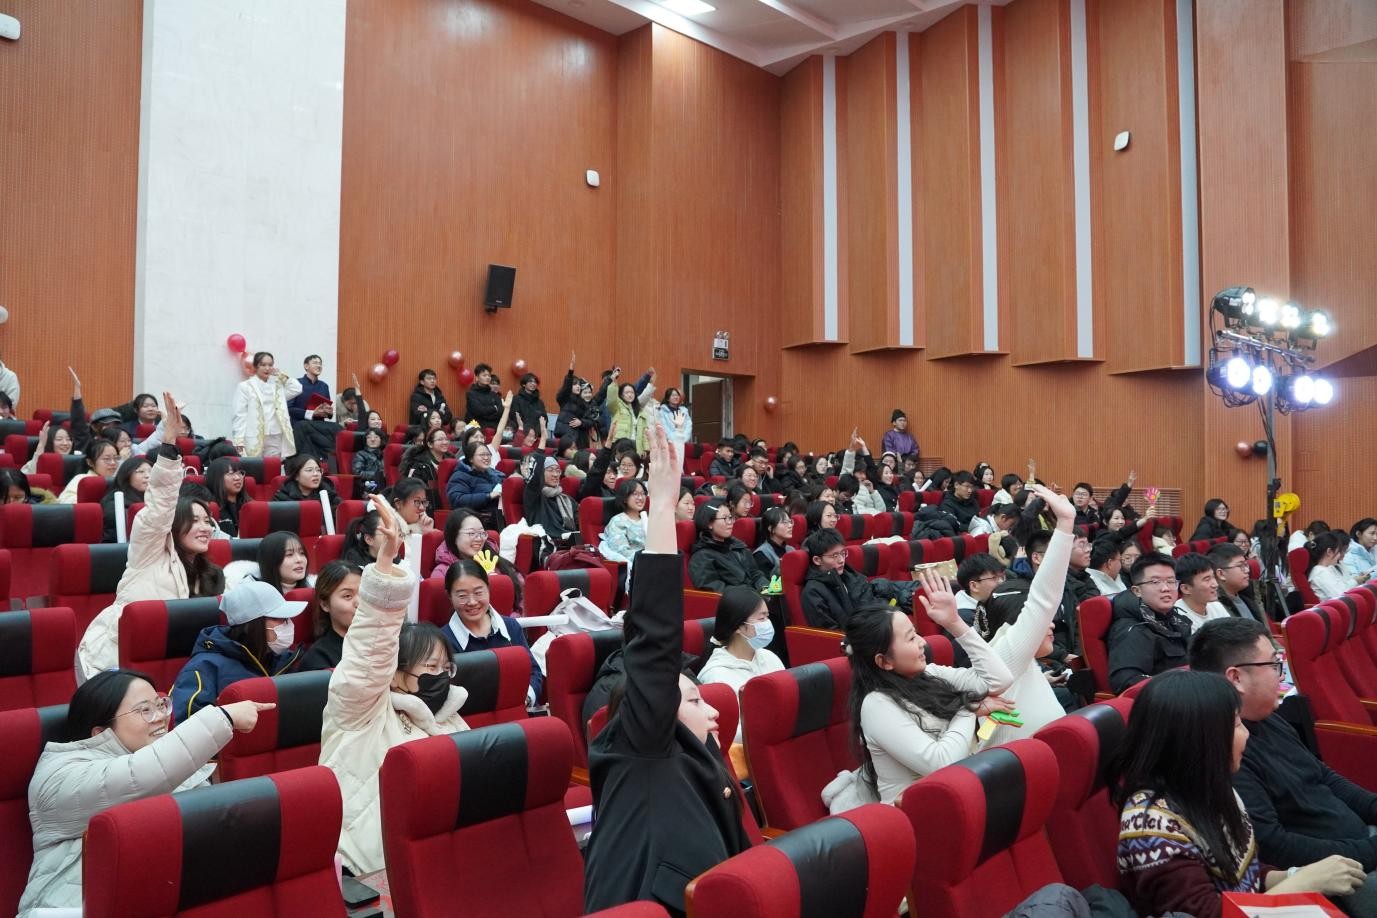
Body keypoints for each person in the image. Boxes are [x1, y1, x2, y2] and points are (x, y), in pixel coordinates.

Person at [583, 420, 752, 914]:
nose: (713, 711)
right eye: (694, 700)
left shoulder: (699, 756)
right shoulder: (643, 745)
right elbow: (655, 643)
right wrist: (660, 508)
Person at [16, 670, 273, 915]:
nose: (161, 717)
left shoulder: (174, 767)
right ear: (101, 732)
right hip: (69, 909)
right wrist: (223, 717)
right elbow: (138, 776)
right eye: (145, 710)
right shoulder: (59, 775)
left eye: (160, 705)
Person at [1114, 669, 1365, 918]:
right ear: (1200, 740)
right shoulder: (1150, 827)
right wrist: (1304, 882)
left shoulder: (1207, 787)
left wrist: (1294, 875)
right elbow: (1206, 914)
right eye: (1236, 724)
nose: (1246, 734)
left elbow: (1245, 875)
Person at [320, 494, 469, 876]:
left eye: (445, 668)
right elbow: (369, 655)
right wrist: (384, 566)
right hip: (370, 870)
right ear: (396, 672)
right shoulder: (361, 710)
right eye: (429, 667)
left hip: (442, 861)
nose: (439, 676)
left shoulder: (451, 717)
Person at [1191, 617, 1377, 914]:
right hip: (1339, 873)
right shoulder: (1228, 754)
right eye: (1274, 665)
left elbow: (1323, 776)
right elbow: (1274, 846)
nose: (1282, 675)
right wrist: (1369, 851)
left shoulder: (1268, 718)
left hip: (1360, 842)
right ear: (1236, 677)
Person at [835, 568, 1014, 808]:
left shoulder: (929, 673)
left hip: (956, 795)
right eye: (911, 638)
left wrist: (954, 623)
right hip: (915, 814)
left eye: (916, 633)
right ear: (884, 661)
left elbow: (999, 680)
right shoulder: (876, 704)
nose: (922, 643)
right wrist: (968, 708)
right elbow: (941, 762)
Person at [78, 401, 224, 680]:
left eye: (207, 521)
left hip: (171, 667)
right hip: (114, 663)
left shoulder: (212, 574)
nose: (205, 527)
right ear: (175, 525)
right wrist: (168, 445)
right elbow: (160, 508)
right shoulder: (149, 552)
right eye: (195, 520)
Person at [170, 580, 304, 718]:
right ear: (253, 624)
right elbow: (185, 724)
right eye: (278, 618)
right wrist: (229, 717)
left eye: (287, 618)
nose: (288, 624)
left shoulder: (285, 659)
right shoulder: (203, 668)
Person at [441, 559, 542, 702]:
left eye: (478, 592)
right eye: (462, 596)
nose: (472, 602)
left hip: (517, 706)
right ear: (449, 596)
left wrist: (525, 698)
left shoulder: (511, 627)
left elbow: (533, 672)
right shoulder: (442, 641)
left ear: (488, 589)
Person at [694, 586, 785, 741]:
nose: (768, 624)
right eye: (761, 619)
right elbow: (730, 732)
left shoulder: (770, 658)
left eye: (767, 617)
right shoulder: (716, 676)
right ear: (739, 627)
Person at [1106, 552, 1194, 694]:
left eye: (1171, 581)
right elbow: (1127, 682)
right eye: (1155, 582)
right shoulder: (1132, 630)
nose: (1166, 588)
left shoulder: (1174, 619)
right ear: (1137, 591)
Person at [799, 528, 913, 630]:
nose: (841, 560)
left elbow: (869, 603)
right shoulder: (813, 592)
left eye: (843, 553)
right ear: (817, 560)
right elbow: (831, 634)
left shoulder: (849, 575)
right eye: (834, 556)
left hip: (876, 628)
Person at [231, 351, 302, 457]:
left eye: (270, 365)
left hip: (275, 434)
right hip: (253, 436)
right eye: (263, 365)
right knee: (253, 465)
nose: (267, 368)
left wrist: (281, 375)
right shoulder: (245, 387)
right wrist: (238, 441)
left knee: (274, 465)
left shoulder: (277, 386)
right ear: (256, 366)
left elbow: (297, 389)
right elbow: (239, 415)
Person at [688, 501, 769, 593]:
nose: (730, 522)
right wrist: (753, 596)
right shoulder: (702, 556)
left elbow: (755, 574)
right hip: (741, 599)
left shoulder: (738, 545)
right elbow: (715, 590)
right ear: (709, 523)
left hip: (757, 595)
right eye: (725, 518)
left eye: (730, 517)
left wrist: (768, 591)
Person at [300, 560, 363, 671]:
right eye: (347, 596)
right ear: (325, 605)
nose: (359, 603)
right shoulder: (318, 658)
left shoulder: (384, 641)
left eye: (363, 594)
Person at [286, 354, 341, 465]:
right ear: (306, 366)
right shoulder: (296, 384)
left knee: (338, 428)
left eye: (320, 364)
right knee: (303, 427)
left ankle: (332, 463)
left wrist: (329, 412)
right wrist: (311, 413)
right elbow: (289, 409)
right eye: (315, 363)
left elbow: (327, 411)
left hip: (318, 426)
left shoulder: (324, 386)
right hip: (300, 426)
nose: (319, 366)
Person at [523, 448, 579, 549]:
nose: (555, 474)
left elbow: (580, 523)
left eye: (558, 471)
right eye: (550, 470)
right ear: (541, 473)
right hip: (547, 546)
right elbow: (534, 475)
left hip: (570, 544)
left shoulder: (567, 500)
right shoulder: (534, 496)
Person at [446, 437, 506, 531]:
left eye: (488, 454)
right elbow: (457, 500)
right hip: (478, 521)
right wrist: (488, 496)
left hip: (499, 516)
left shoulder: (496, 475)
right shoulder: (460, 476)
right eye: (482, 455)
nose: (486, 458)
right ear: (471, 458)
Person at [1174, 552, 1232, 632]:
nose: (1215, 584)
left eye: (1213, 577)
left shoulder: (1217, 606)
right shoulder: (1177, 617)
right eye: (1207, 579)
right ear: (1186, 589)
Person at [1208, 542, 1265, 622]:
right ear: (1221, 574)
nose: (1247, 570)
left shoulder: (1250, 594)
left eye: (1246, 565)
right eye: (1240, 566)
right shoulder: (1214, 607)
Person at [99, 455, 151, 543]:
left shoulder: (157, 499)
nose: (148, 476)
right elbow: (111, 542)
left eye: (151, 471)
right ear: (127, 476)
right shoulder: (115, 505)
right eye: (141, 471)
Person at [599, 477, 648, 567]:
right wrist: (649, 561)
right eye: (635, 494)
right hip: (638, 566)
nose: (640, 498)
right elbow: (621, 551)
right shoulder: (618, 521)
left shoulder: (648, 519)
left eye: (642, 493)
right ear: (625, 498)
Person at [55, 438, 120, 504]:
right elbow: (64, 501)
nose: (113, 463)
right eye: (107, 459)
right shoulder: (81, 479)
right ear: (90, 462)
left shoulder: (120, 479)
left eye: (116, 458)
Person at [400, 426, 450, 509]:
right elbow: (412, 492)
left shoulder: (451, 462)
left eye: (446, 439)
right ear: (430, 444)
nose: (445, 442)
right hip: (428, 509)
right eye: (440, 439)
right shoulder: (419, 465)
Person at [273, 452, 339, 510]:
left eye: (318, 470)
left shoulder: (329, 494)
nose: (316, 474)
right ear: (296, 476)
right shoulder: (282, 498)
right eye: (309, 470)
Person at [205, 456, 250, 537]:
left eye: (240, 473)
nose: (238, 478)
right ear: (216, 478)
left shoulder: (249, 505)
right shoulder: (211, 510)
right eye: (231, 473)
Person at [1308, 531, 1359, 601]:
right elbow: (1341, 595)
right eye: (1338, 552)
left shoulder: (1328, 569)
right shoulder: (1320, 572)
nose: (1339, 555)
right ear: (1329, 552)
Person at [752, 506, 794, 578]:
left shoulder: (791, 550)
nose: (790, 526)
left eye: (790, 522)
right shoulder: (761, 554)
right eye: (784, 522)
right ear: (771, 528)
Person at [462, 364, 500, 429]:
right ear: (477, 378)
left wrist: (486, 413)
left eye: (489, 375)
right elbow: (479, 411)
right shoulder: (471, 394)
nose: (487, 377)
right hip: (477, 425)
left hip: (494, 425)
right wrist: (494, 408)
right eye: (484, 375)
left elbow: (500, 411)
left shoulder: (493, 394)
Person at [352, 427, 387, 496]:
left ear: (381, 440)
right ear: (366, 440)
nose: (372, 439)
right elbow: (358, 472)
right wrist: (378, 475)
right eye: (369, 437)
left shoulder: (386, 454)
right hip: (368, 483)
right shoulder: (360, 454)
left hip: (384, 483)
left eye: (376, 437)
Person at [1345, 518, 1377, 582]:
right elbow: (1354, 582)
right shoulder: (1348, 555)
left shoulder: (1374, 550)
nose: (1375, 538)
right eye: (1372, 533)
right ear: (1358, 534)